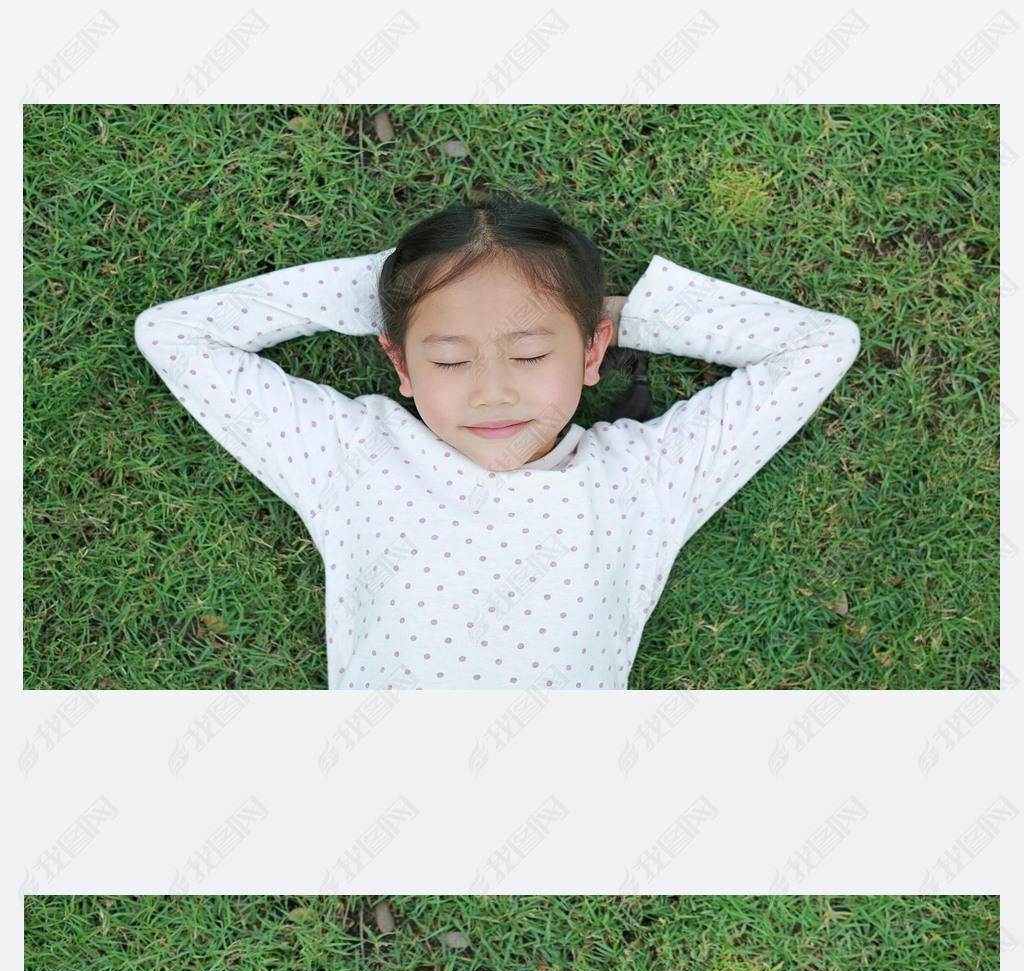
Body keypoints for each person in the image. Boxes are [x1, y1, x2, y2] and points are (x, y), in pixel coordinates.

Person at [134, 190, 860, 690]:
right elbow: (173, 333)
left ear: (589, 352)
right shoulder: (351, 455)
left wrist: (618, 313)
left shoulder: (647, 480)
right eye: (449, 359)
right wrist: (395, 288)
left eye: (530, 353)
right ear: (401, 364)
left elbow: (821, 344)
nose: (491, 390)